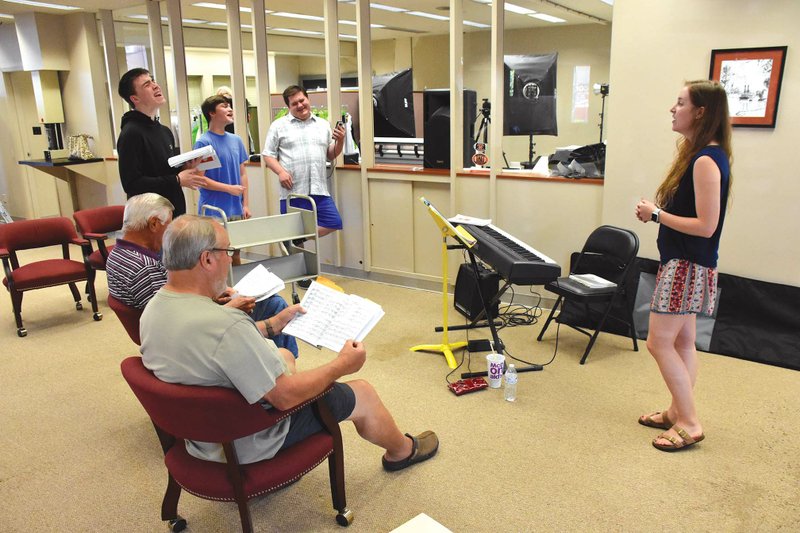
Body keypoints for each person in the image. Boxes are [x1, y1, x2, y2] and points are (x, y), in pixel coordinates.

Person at [140, 215, 439, 470]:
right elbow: (281, 397)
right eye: (227, 251)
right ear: (206, 259)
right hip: (245, 438)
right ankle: (402, 451)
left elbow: (210, 345)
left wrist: (272, 324)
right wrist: (340, 366)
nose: (231, 258)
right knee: (362, 393)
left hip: (197, 435)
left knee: (283, 353)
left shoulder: (153, 310)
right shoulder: (227, 325)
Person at [635, 80, 732, 452]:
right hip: (689, 264)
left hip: (686, 266)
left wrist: (657, 214)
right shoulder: (704, 155)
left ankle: (690, 422)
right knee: (683, 341)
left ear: (701, 112)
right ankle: (678, 411)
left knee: (658, 343)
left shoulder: (706, 160)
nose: (673, 109)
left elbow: (706, 226)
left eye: (680, 103)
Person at [106, 193, 299, 357]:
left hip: (178, 326)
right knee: (274, 304)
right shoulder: (145, 268)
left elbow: (176, 305)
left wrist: (215, 297)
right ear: (154, 224)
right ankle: (283, 366)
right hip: (186, 340)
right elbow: (177, 324)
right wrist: (230, 308)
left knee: (267, 302)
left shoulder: (117, 253)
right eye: (169, 224)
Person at [117, 68, 206, 217]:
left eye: (153, 80)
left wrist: (184, 168)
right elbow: (132, 183)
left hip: (173, 210)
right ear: (135, 98)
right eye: (147, 84)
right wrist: (176, 179)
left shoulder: (164, 131)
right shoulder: (131, 133)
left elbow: (161, 170)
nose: (155, 86)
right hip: (150, 216)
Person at [262, 85, 346, 240]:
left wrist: (340, 141)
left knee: (333, 222)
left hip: (319, 189)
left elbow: (330, 154)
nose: (300, 105)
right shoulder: (278, 126)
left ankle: (297, 237)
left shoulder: (322, 124)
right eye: (294, 104)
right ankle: (293, 245)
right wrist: (280, 172)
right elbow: (268, 155)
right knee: (293, 246)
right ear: (288, 107)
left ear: (308, 99)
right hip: (293, 191)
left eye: (302, 100)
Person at [194, 94, 250, 222]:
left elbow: (243, 175)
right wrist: (229, 189)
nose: (230, 109)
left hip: (236, 209)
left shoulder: (236, 140)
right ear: (212, 113)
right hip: (213, 211)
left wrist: (245, 205)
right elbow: (200, 179)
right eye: (224, 106)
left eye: (230, 106)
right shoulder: (204, 143)